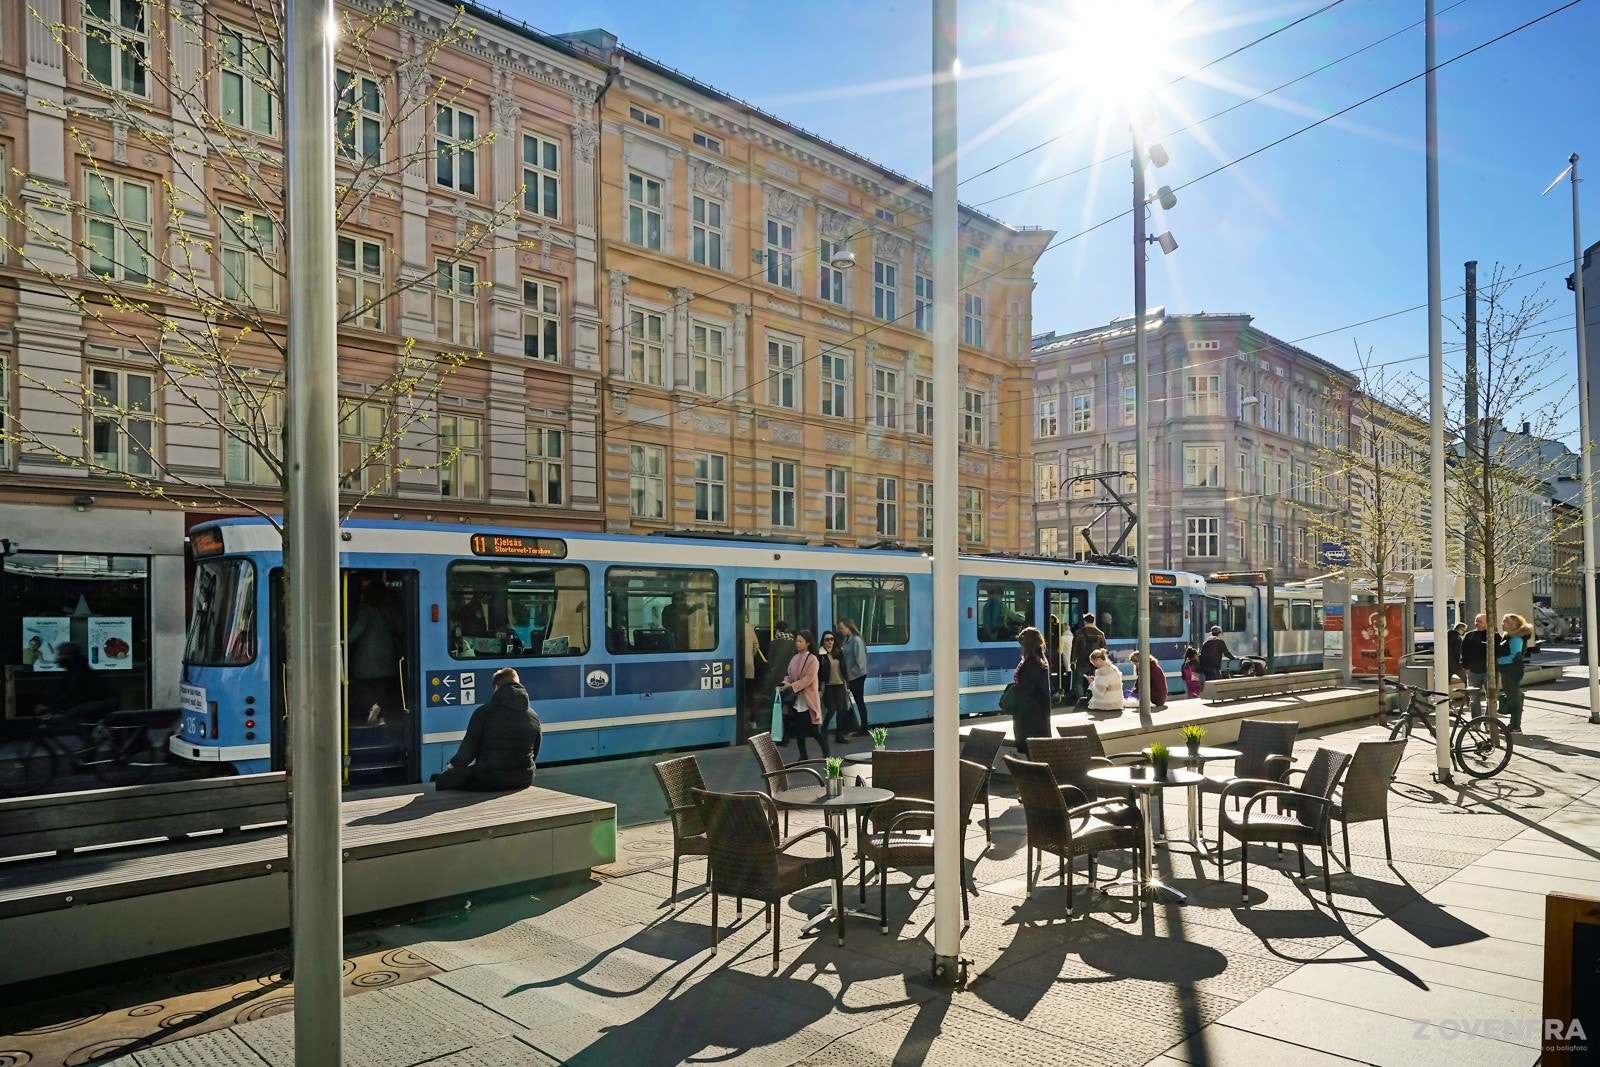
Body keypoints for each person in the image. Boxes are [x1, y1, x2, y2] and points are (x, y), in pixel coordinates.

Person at [436, 667, 540, 791]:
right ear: (518, 684)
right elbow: (535, 748)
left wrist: (453, 765)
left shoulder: (484, 712)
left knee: (444, 779)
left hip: (490, 779)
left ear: (496, 687)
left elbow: (469, 749)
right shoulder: (533, 715)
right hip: (524, 779)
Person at [347, 577, 401, 727]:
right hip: (389, 657)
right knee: (383, 688)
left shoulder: (366, 608)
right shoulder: (391, 608)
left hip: (368, 658)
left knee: (359, 683)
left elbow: (358, 628)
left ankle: (372, 706)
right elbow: (400, 628)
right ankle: (382, 716)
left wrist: (344, 640)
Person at [35, 642, 118, 737]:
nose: (59, 658)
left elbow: (69, 692)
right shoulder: (72, 670)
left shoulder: (79, 671)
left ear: (70, 656)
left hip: (105, 702)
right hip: (98, 702)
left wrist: (51, 707)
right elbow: (61, 690)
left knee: (68, 717)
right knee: (81, 721)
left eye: (62, 654)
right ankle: (90, 747)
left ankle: (88, 744)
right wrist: (48, 705)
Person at [777, 630, 827, 760]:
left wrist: (792, 686)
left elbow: (809, 679)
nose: (797, 644)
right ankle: (803, 755)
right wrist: (784, 683)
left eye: (800, 641)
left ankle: (826, 753)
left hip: (808, 700)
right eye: (797, 641)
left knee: (814, 730)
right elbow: (789, 675)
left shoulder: (813, 659)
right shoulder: (794, 658)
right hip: (797, 701)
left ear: (808, 643)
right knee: (799, 730)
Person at [1009, 626, 1052, 756]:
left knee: (1031, 751)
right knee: (1037, 751)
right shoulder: (1040, 659)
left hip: (1029, 715)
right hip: (1038, 714)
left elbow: (1025, 687)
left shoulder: (1031, 662)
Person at [1496, 613, 1535, 733]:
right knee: (1512, 696)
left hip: (1512, 671)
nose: (1502, 624)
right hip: (1508, 670)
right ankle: (1513, 724)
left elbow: (1515, 656)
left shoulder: (1516, 638)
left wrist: (1497, 660)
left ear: (1512, 625)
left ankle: (1515, 725)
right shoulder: (1509, 636)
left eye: (1505, 622)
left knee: (1513, 698)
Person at [819, 630, 855, 743]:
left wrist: (847, 684)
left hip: (839, 685)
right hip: (828, 686)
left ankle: (839, 735)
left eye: (831, 639)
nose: (829, 641)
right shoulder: (820, 655)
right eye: (827, 639)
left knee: (841, 710)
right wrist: (819, 689)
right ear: (823, 641)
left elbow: (844, 669)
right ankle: (824, 729)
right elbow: (818, 673)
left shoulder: (838, 652)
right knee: (831, 709)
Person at [840, 618, 871, 736]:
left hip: (856, 676)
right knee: (857, 701)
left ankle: (863, 727)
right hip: (852, 676)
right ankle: (861, 726)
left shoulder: (856, 641)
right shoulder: (847, 640)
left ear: (849, 628)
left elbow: (861, 662)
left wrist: (850, 675)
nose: (841, 631)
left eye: (842, 628)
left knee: (859, 701)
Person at [1070, 613, 1106, 706]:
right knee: (1095, 680)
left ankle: (1082, 700)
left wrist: (1072, 660)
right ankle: (1093, 698)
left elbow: (1074, 648)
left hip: (1082, 661)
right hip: (1096, 662)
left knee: (1079, 682)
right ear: (1093, 621)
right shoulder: (1100, 634)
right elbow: (1103, 650)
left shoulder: (1079, 633)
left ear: (1085, 621)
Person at [1460, 613, 1490, 715]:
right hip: (1473, 672)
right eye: (1476, 621)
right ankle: (1476, 722)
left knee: (1491, 698)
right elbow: (1463, 652)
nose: (1477, 623)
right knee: (1473, 698)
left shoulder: (1493, 636)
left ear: (1487, 622)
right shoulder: (1469, 636)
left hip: (1489, 672)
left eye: (1480, 621)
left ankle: (1488, 721)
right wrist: (1466, 667)